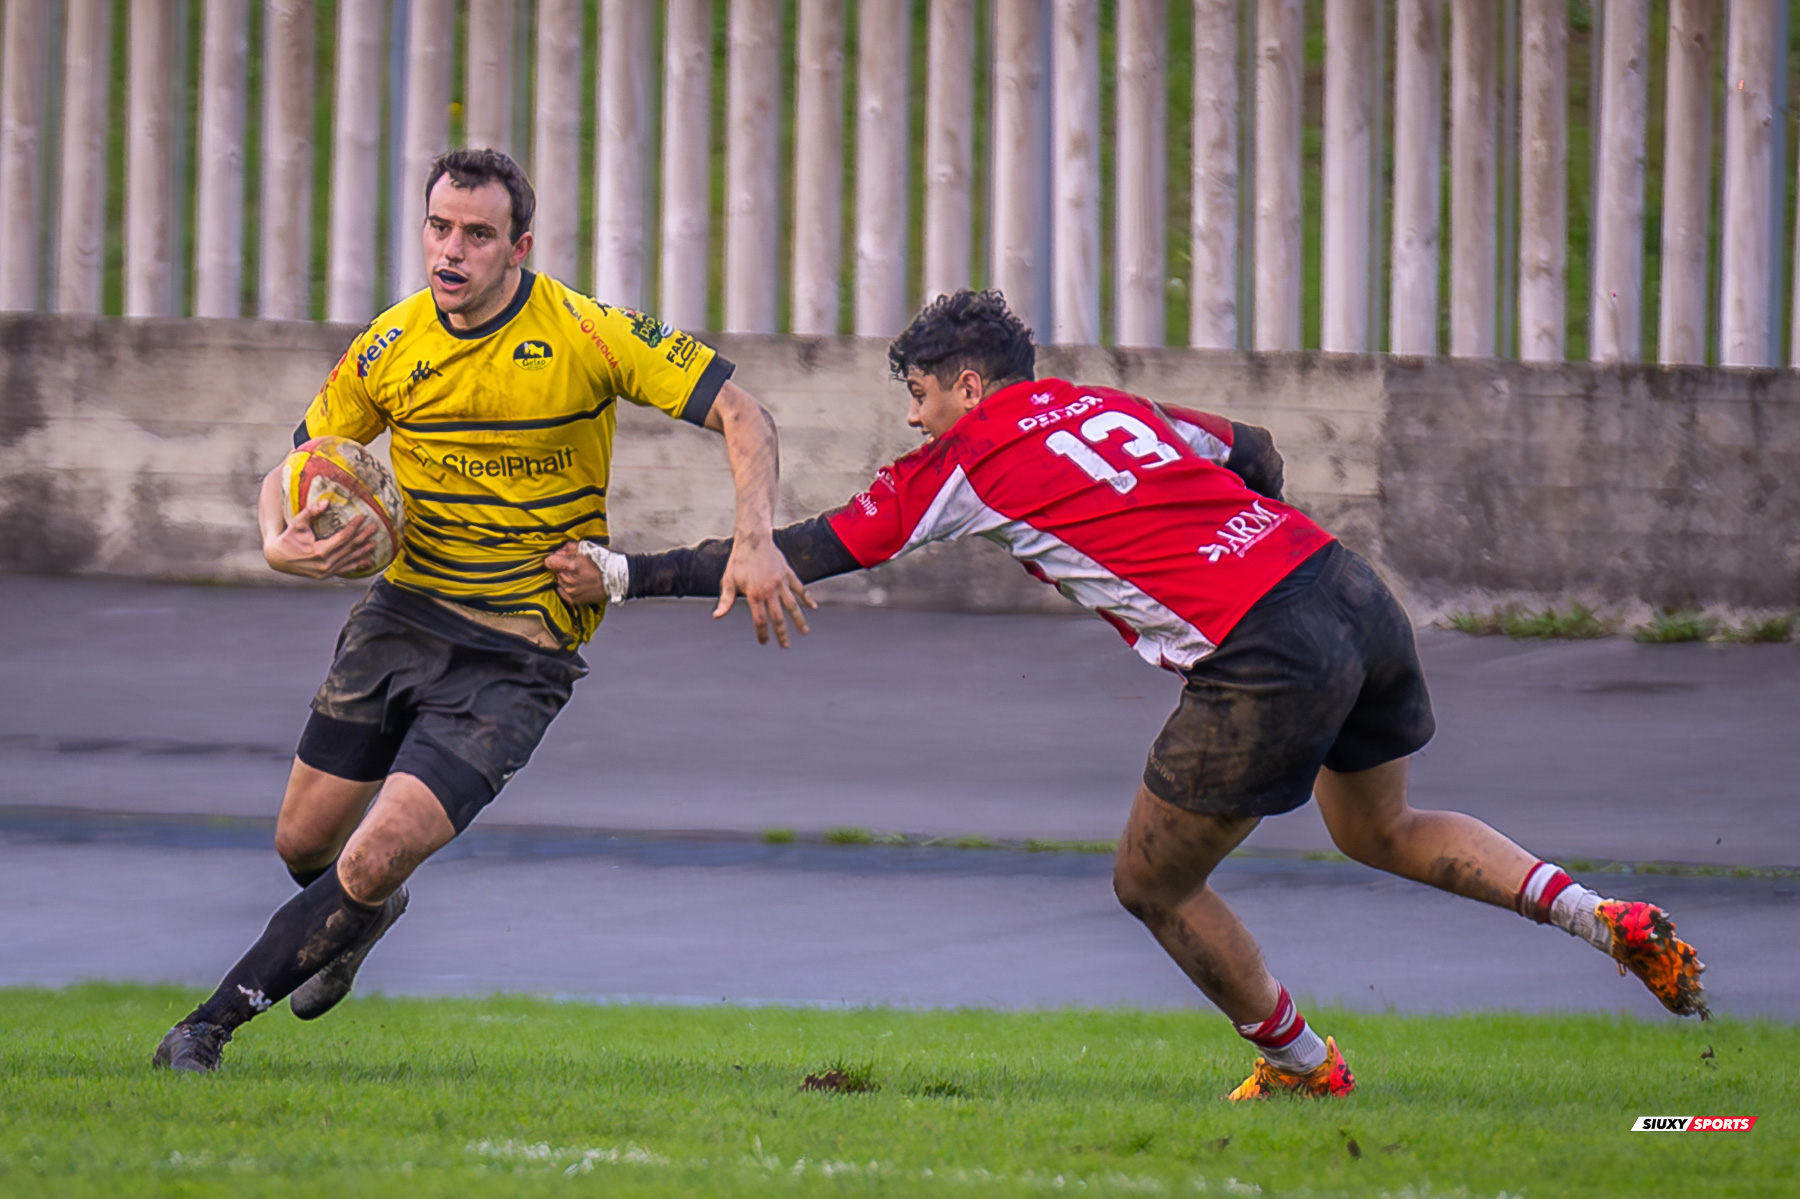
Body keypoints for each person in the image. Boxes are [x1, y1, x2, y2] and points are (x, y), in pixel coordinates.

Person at [550, 289, 1709, 1100]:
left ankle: (1307, 1066)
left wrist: (627, 571)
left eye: (916, 395)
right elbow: (1256, 452)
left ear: (964, 382)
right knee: (1383, 827)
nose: (911, 420)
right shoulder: (1110, 404)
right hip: (1346, 587)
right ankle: (1604, 919)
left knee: (1150, 878)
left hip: (1267, 647)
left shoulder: (968, 455)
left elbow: (815, 545)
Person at [152, 148, 809, 1073]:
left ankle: (205, 1028)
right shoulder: (392, 343)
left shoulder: (586, 332)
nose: (451, 250)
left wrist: (753, 536)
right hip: (401, 617)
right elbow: (302, 461)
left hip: (519, 653)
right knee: (303, 842)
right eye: (438, 228)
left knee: (376, 852)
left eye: (477, 234)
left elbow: (745, 414)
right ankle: (361, 919)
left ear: (518, 247)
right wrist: (274, 539)